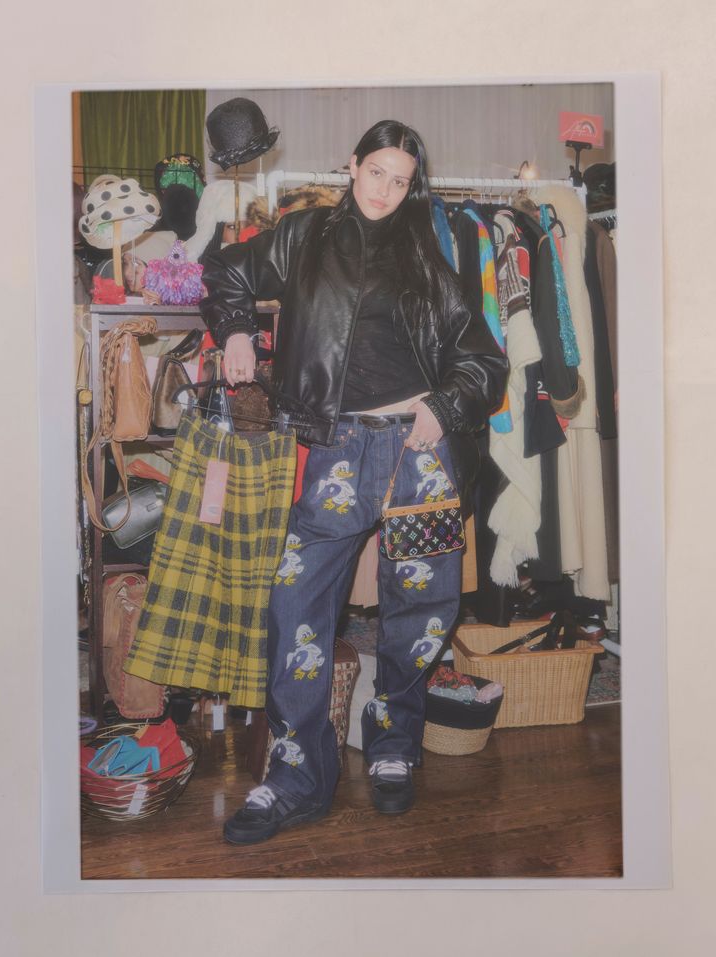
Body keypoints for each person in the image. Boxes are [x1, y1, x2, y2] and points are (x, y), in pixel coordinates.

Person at [200, 119, 508, 845]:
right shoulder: (304, 235)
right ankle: (297, 775)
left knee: (422, 609)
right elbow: (226, 271)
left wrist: (444, 407)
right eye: (377, 173)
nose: (386, 190)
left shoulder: (427, 255)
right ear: (352, 165)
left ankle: (395, 741)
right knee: (295, 605)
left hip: (418, 452)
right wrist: (236, 329)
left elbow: (484, 361)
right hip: (334, 446)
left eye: (401, 181)